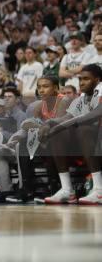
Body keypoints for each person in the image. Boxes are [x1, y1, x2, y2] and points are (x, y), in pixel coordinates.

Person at [39, 64, 102, 205]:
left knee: (84, 129)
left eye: (86, 79)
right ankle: (67, 189)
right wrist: (50, 124)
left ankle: (99, 189)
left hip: (98, 140)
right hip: (90, 144)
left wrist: (63, 125)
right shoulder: (82, 98)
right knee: (57, 133)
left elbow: (96, 114)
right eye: (80, 79)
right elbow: (67, 117)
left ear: (97, 80)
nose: (82, 82)